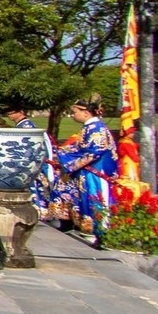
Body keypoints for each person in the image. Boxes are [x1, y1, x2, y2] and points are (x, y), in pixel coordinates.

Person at [54, 94, 118, 238]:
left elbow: (93, 152)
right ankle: (84, 229)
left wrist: (67, 160)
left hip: (96, 173)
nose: (73, 115)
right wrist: (60, 152)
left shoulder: (96, 129)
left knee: (96, 203)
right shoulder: (90, 127)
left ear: (86, 112)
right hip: (87, 173)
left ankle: (99, 234)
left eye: (75, 111)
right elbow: (79, 148)